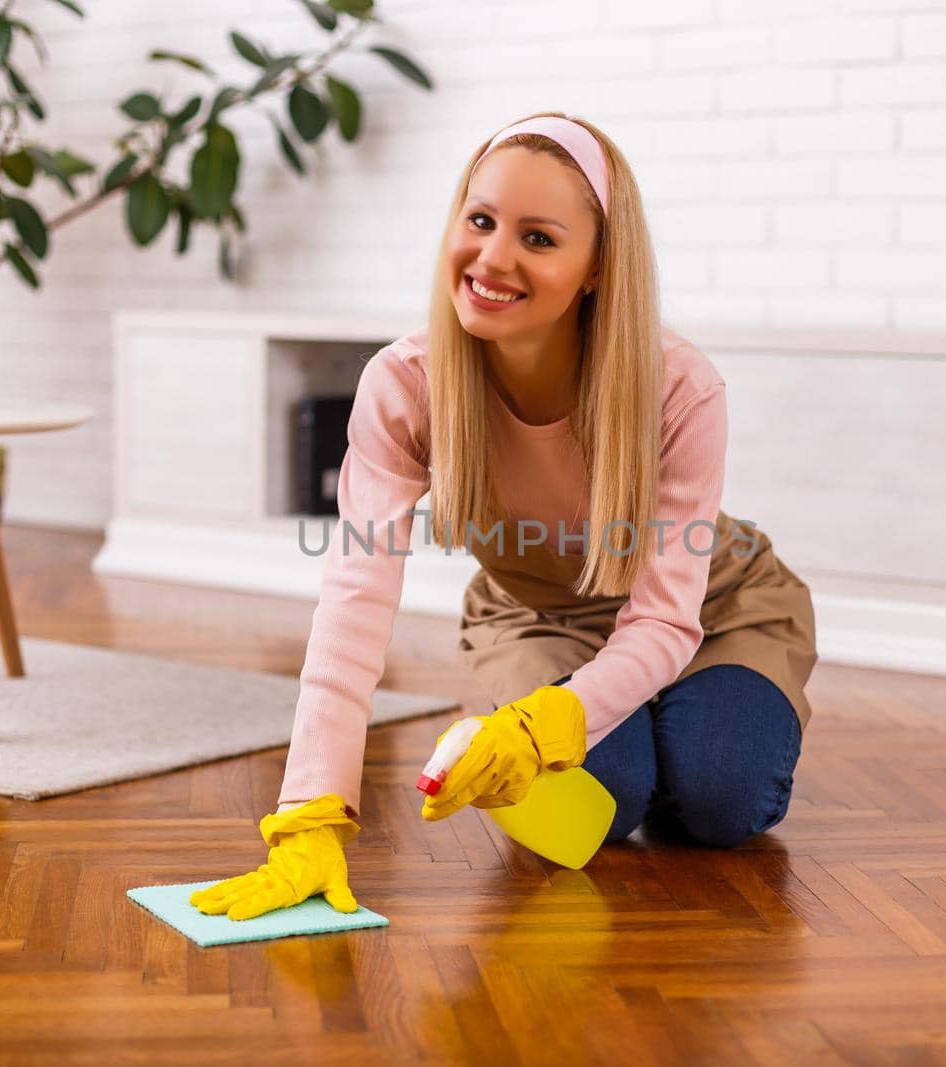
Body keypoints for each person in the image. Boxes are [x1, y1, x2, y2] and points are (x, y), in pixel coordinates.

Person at [189, 112, 818, 922]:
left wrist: (565, 713)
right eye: (480, 220)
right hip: (538, 615)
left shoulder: (678, 386)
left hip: (713, 611)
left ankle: (678, 723)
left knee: (720, 800)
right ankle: (631, 731)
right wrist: (310, 812)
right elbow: (353, 599)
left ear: (597, 267)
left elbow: (666, 616)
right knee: (610, 801)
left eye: (539, 238)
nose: (493, 258)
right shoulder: (405, 385)